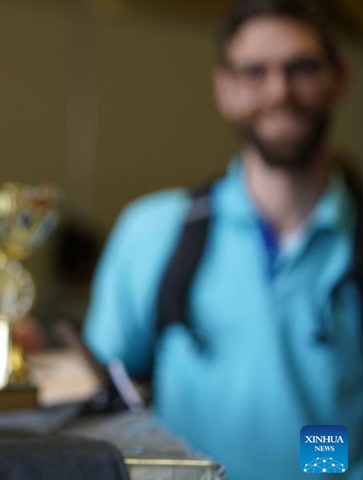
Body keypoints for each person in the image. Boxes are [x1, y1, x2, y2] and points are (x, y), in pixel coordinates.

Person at [82, 0, 362, 479]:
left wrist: (326, 473)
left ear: (339, 79)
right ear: (225, 89)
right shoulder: (153, 232)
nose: (279, 91)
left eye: (302, 68)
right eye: (255, 72)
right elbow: (98, 393)